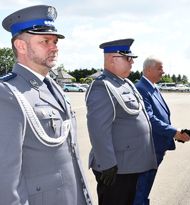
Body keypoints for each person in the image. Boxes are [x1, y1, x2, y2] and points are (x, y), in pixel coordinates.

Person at [0, 5, 92, 205]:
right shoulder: (7, 94)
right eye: (45, 41)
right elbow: (5, 181)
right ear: (21, 46)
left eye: (55, 41)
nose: (54, 47)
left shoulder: (54, 87)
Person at [86, 39, 158, 205]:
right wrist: (107, 164)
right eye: (128, 58)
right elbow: (98, 129)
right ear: (112, 59)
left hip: (129, 165)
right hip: (116, 169)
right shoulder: (102, 86)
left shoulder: (125, 83)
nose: (132, 62)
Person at [133, 56, 190, 205]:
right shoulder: (141, 88)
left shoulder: (152, 87)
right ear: (148, 70)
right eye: (160, 68)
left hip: (157, 147)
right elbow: (150, 119)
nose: (163, 72)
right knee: (141, 189)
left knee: (145, 187)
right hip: (149, 148)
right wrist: (175, 132)